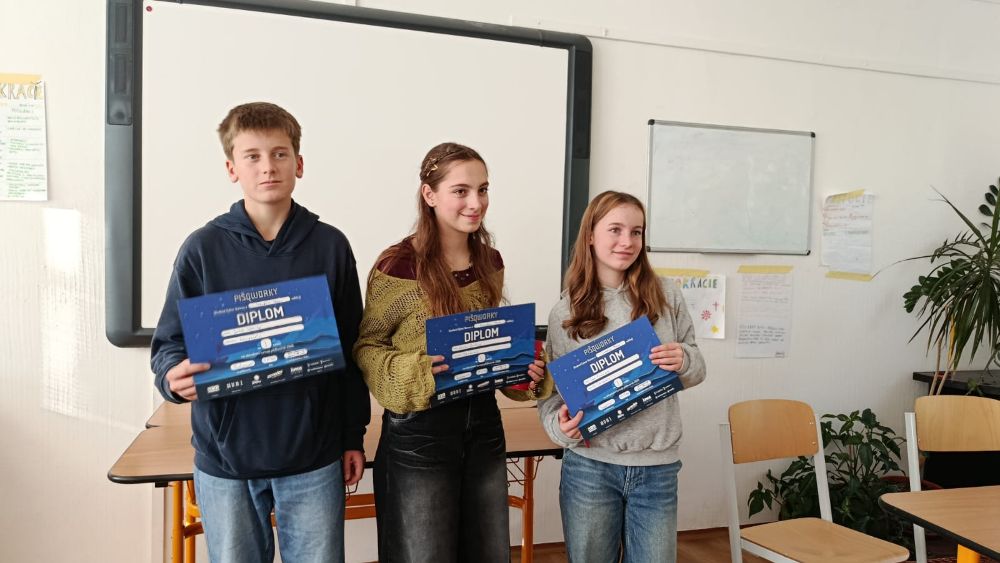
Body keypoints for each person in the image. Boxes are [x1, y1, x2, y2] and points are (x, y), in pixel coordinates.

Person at [150, 102, 369, 563]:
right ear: (232, 168)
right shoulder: (202, 249)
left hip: (314, 455)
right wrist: (172, 376)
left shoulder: (330, 246)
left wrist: (353, 434)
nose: (267, 166)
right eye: (252, 156)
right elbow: (169, 343)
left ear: (299, 163)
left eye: (279, 154)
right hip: (226, 460)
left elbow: (353, 349)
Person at [354, 142, 552, 563]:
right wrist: (413, 373)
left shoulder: (490, 262)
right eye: (461, 191)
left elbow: (488, 346)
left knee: (487, 552)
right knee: (422, 555)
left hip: (484, 426)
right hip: (419, 433)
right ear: (430, 195)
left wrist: (521, 370)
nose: (475, 202)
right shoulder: (397, 267)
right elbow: (368, 346)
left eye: (483, 189)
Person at [538, 190, 706, 563]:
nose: (627, 241)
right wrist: (559, 428)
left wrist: (684, 360)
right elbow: (552, 397)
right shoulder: (565, 311)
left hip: (657, 468)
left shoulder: (666, 295)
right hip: (590, 468)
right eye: (615, 229)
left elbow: (696, 366)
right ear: (590, 235)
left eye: (636, 232)